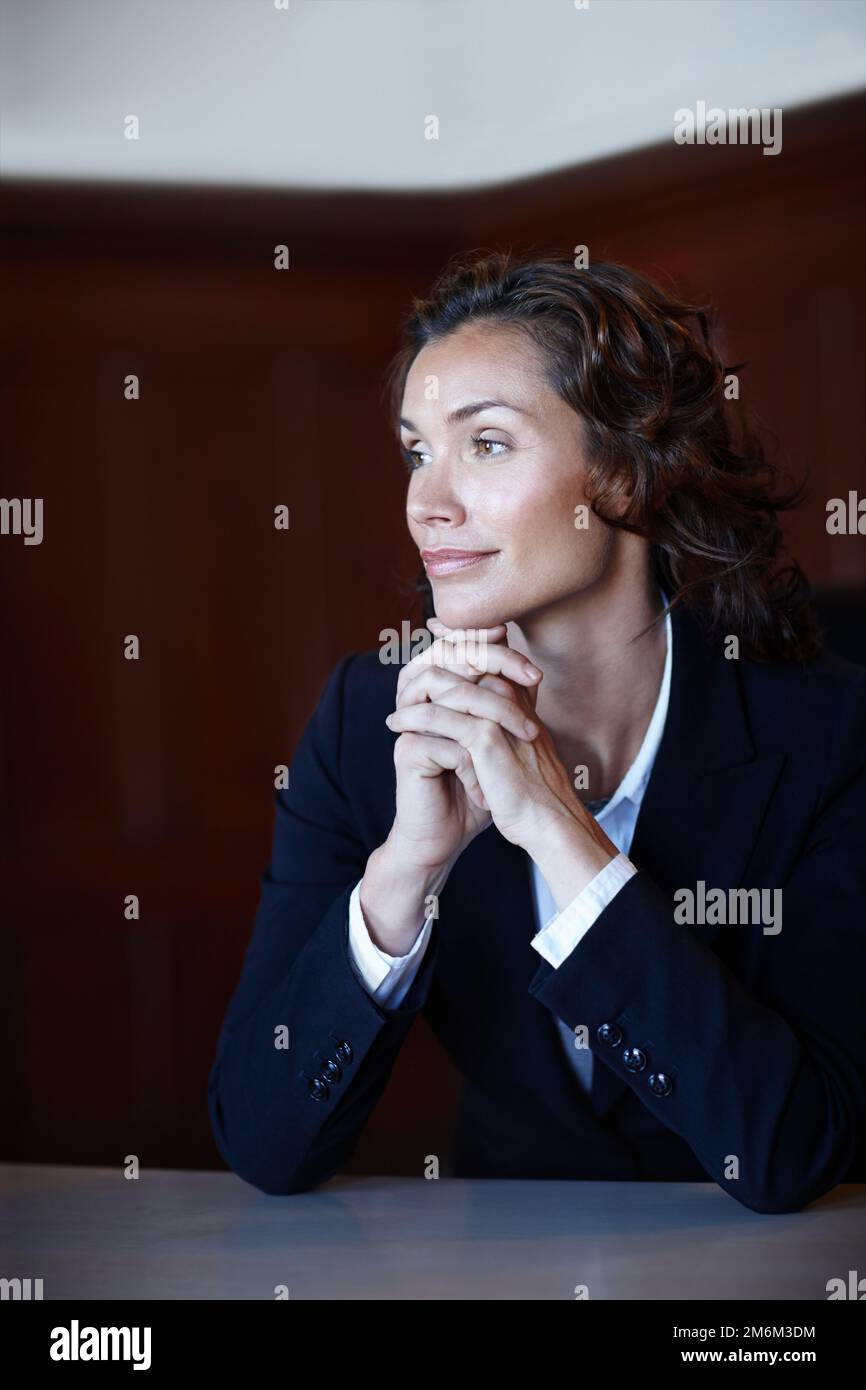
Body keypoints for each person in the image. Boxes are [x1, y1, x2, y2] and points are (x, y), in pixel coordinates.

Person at [207, 251, 866, 1213]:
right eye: (417, 450)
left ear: (626, 474)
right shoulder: (365, 724)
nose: (425, 503)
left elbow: (793, 1151)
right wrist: (402, 876)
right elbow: (265, 1143)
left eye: (486, 444)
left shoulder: (829, 735)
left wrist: (566, 838)